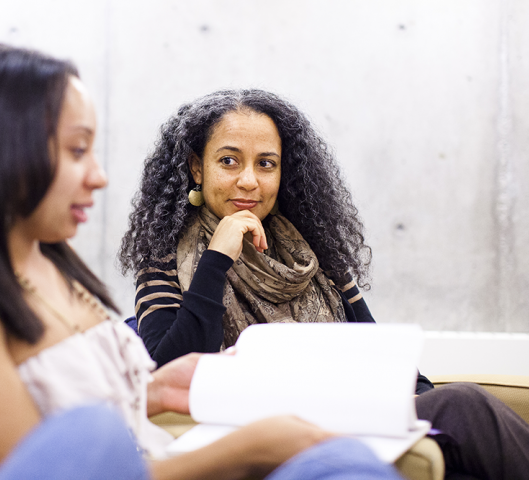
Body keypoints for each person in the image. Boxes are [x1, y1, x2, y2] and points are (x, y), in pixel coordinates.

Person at [0, 44, 404, 480]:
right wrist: (252, 447)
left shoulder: (55, 268)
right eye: (76, 151)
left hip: (152, 452)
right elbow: (72, 457)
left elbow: (91, 408)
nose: (99, 177)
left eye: (266, 164)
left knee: (346, 458)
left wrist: (154, 388)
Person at [120, 89, 529, 479]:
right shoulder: (164, 262)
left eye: (266, 164)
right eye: (229, 161)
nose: (249, 180)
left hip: (352, 414)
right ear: (197, 167)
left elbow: (386, 355)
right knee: (465, 404)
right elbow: (170, 371)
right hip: (261, 430)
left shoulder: (313, 256)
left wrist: (409, 403)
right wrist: (217, 259)